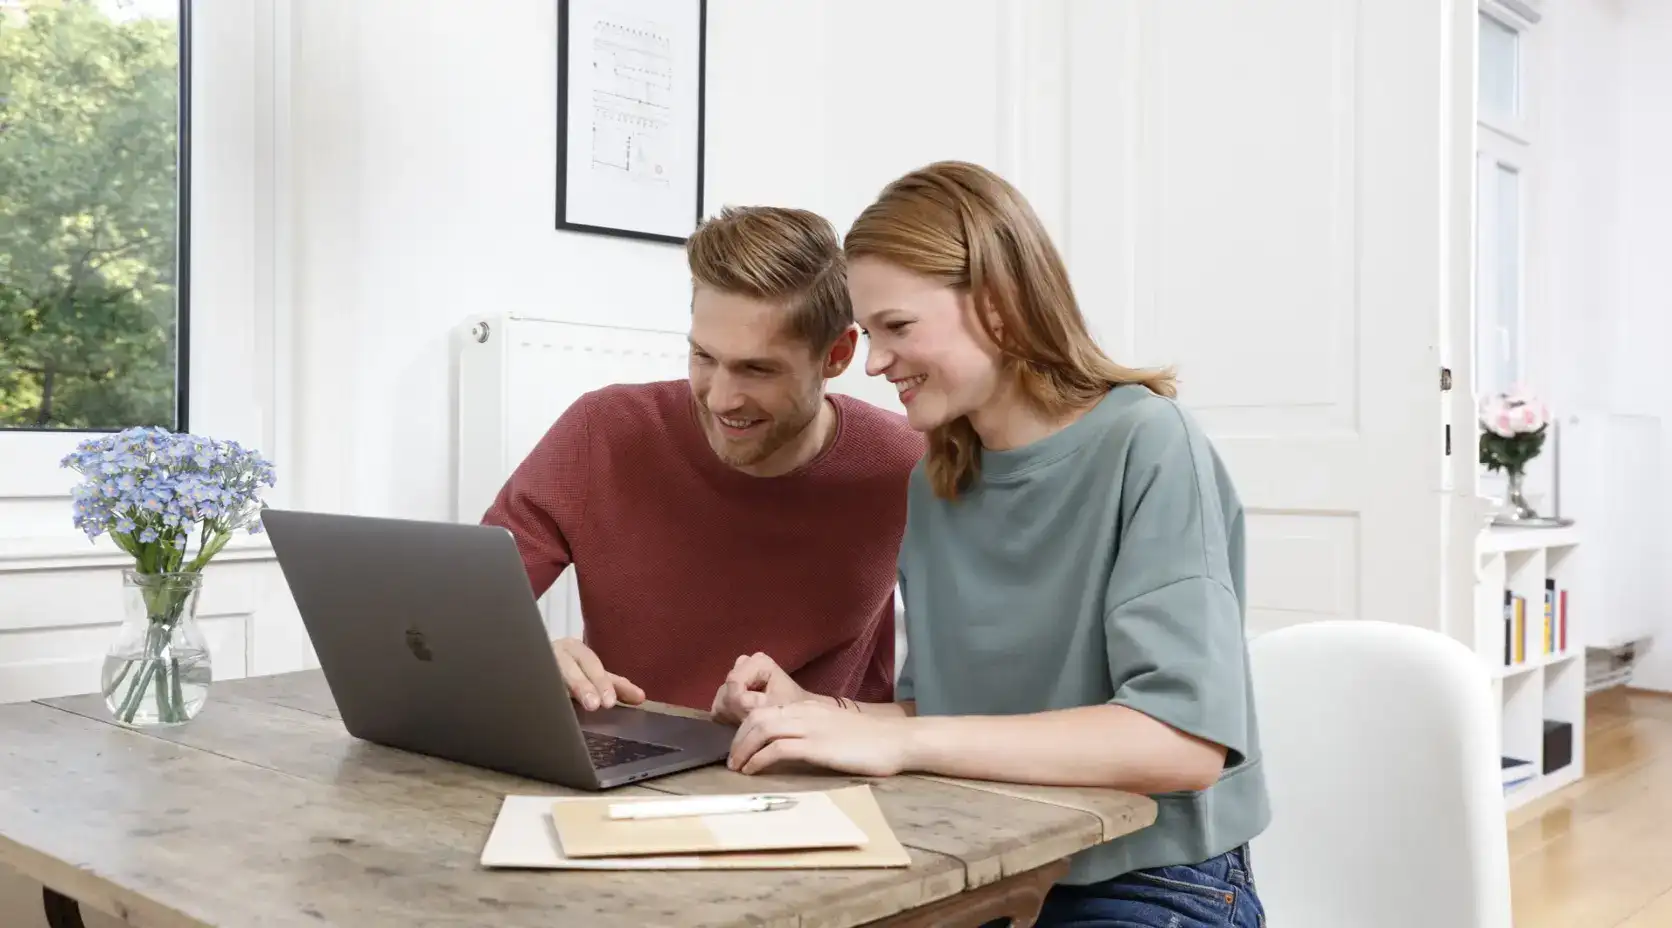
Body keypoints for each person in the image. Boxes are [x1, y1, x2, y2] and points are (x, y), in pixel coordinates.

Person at [713, 162, 1269, 927]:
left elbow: (1181, 742)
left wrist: (899, 744)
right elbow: (953, 719)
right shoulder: (937, 482)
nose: (875, 363)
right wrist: (822, 715)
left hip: (1143, 882)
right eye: (870, 334)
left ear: (1000, 307)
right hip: (979, 861)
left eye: (898, 328)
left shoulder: (1148, 444)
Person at [481, 205, 924, 712]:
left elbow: (955, 692)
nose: (720, 399)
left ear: (838, 355)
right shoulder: (602, 431)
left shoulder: (907, 466)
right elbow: (457, 616)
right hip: (633, 765)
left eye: (758, 369)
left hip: (817, 774)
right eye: (704, 357)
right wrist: (528, 657)